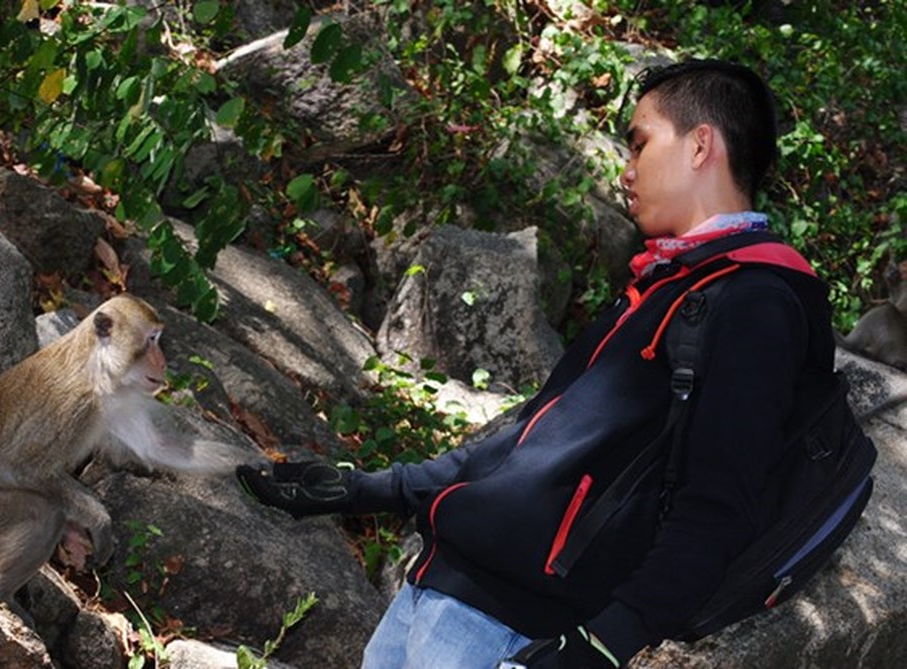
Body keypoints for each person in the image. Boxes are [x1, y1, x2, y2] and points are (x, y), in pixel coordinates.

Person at [237, 59, 836, 668]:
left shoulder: (755, 303)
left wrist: (606, 642)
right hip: (439, 594)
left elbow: (717, 507)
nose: (625, 172)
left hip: (504, 632)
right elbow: (527, 447)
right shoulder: (666, 288)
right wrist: (369, 489)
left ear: (701, 143)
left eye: (639, 143)